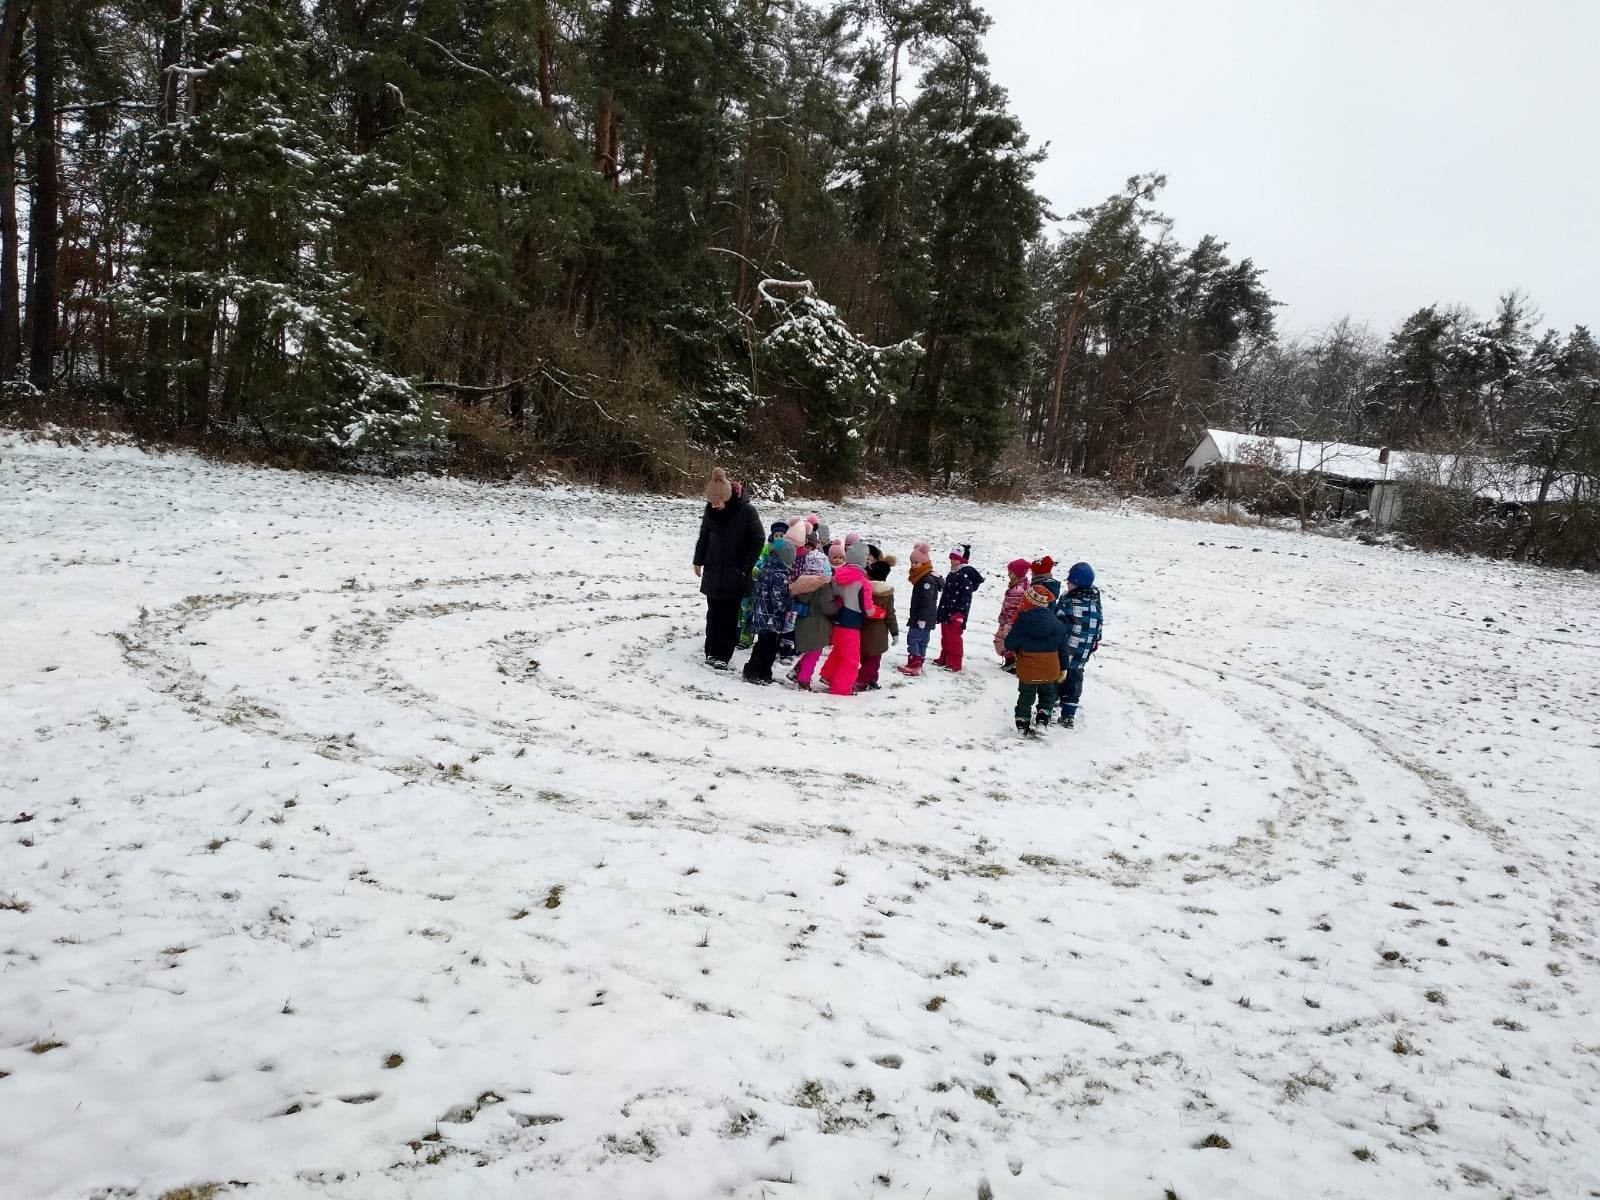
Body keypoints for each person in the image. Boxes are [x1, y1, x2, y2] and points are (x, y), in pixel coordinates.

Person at [692, 467, 764, 670]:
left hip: (736, 574)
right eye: (711, 502)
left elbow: (758, 539)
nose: (714, 506)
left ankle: (723, 655)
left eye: (718, 502)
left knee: (729, 616)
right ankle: (710, 651)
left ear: (727, 497)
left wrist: (744, 567)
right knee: (713, 614)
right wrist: (698, 561)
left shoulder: (747, 511)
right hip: (713, 570)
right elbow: (704, 536)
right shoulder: (710, 510)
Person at [1004, 583, 1070, 736]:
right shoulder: (1058, 624)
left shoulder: (1021, 622)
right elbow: (1063, 650)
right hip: (1050, 669)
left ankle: (1022, 724)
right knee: (1048, 695)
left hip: (1027, 669)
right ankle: (1042, 720)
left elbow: (1009, 644)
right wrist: (1064, 668)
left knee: (1026, 696)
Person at [817, 539, 880, 696]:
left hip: (836, 621)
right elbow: (868, 609)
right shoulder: (863, 583)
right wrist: (879, 612)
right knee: (851, 658)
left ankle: (828, 676)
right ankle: (842, 687)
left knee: (839, 651)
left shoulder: (837, 576)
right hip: (851, 624)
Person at [1056, 561, 1104, 729]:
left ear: (1076, 583)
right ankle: (1068, 714)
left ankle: (1050, 703)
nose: (1067, 584)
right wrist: (1095, 642)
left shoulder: (1068, 603)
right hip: (1083, 651)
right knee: (1075, 680)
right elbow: (1098, 625)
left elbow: (1058, 624)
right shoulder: (1095, 603)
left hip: (1064, 650)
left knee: (1057, 676)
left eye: (1069, 581)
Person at [742, 536, 796, 684]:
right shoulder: (780, 575)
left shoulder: (767, 568)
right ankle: (755, 671)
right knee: (768, 647)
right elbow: (779, 600)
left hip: (761, 614)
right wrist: (791, 604)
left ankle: (762, 672)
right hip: (771, 618)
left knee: (763, 645)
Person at [787, 541, 833, 688]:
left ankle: (797, 671)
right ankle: (804, 680)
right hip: (817, 624)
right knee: (814, 654)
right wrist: (836, 609)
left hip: (802, 622)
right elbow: (827, 607)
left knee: (810, 651)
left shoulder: (799, 584)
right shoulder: (823, 587)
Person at [933, 544, 983, 672]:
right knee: (945, 637)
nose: (952, 560)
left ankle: (954, 662)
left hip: (956, 614)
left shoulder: (964, 575)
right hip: (946, 611)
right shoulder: (953, 572)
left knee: (954, 639)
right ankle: (944, 657)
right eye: (951, 557)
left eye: (955, 558)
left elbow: (966, 597)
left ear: (962, 560)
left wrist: (960, 613)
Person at [897, 542, 941, 677]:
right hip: (927, 617)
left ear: (924, 563)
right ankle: (919, 663)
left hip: (922, 617)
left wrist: (922, 619)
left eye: (916, 562)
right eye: (912, 562)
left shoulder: (926, 580)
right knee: (922, 640)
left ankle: (914, 665)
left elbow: (927, 601)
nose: (913, 565)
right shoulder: (926, 577)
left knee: (913, 639)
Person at [856, 556, 899, 691]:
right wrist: (895, 632)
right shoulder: (887, 593)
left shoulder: (863, 589)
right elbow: (890, 614)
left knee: (865, 658)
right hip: (878, 634)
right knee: (874, 661)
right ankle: (863, 680)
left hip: (862, 629)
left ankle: (870, 680)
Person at [993, 557, 1030, 672]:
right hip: (1008, 619)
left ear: (1018, 574)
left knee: (1001, 640)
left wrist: (1010, 621)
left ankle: (1011, 661)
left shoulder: (1019, 589)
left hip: (1011, 621)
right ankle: (1012, 660)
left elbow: (1017, 608)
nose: (1008, 575)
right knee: (1005, 640)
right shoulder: (1016, 585)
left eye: (1010, 573)